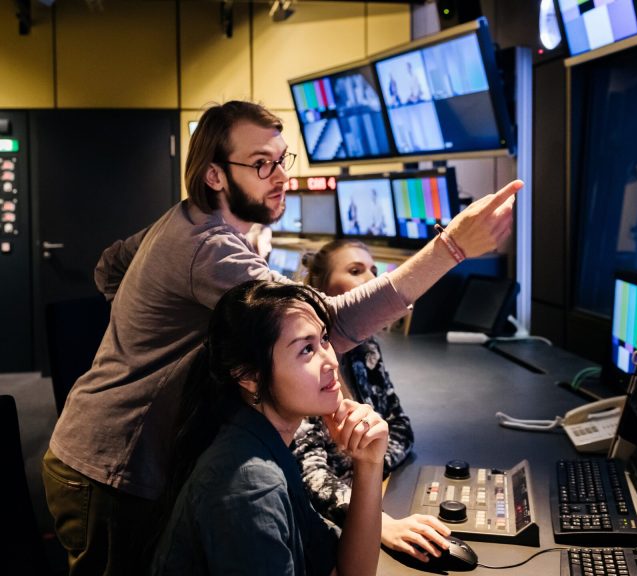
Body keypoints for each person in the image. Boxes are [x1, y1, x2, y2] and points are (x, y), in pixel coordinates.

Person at [42, 99, 521, 576]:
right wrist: (450, 248)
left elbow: (109, 267)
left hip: (117, 450)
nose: (279, 175)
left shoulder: (183, 220)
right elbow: (325, 324)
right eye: (260, 164)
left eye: (281, 159)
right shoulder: (207, 248)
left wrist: (143, 329)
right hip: (112, 464)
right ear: (214, 175)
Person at [151, 280, 387, 575]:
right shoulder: (250, 483)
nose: (331, 361)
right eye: (306, 350)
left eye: (324, 340)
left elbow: (351, 571)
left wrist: (368, 462)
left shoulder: (266, 444)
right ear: (249, 376)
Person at [294, 239, 450, 563]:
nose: (371, 280)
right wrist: (379, 522)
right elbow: (309, 476)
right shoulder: (303, 368)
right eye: (355, 271)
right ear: (321, 290)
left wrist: (370, 466)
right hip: (318, 530)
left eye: (374, 271)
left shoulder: (366, 350)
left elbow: (401, 429)